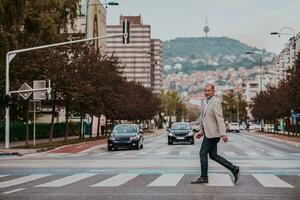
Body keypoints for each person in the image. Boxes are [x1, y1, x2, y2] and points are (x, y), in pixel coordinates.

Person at [191, 84, 240, 184]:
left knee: (202, 153)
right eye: (205, 90)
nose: (207, 92)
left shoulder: (215, 102)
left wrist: (223, 134)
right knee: (213, 155)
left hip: (212, 135)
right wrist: (201, 132)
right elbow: (206, 120)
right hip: (208, 133)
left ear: (213, 91)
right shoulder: (207, 103)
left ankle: (204, 177)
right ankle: (233, 168)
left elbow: (219, 118)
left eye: (209, 90)